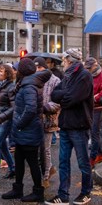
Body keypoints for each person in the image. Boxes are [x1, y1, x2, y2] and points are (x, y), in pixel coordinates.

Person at [45, 48, 94, 205]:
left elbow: (72, 99)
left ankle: (86, 192)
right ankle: (63, 195)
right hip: (65, 124)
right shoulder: (67, 75)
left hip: (79, 125)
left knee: (83, 162)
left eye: (64, 59)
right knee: (63, 161)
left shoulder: (84, 76)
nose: (62, 63)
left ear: (69, 60)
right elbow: (55, 94)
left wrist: (64, 96)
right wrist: (64, 95)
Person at [1, 58, 48, 202]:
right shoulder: (26, 83)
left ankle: (38, 192)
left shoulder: (29, 86)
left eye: (17, 69)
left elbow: (31, 109)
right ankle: (18, 189)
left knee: (33, 162)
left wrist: (19, 124)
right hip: (25, 130)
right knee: (19, 160)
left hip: (29, 130)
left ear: (22, 71)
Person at [34, 57, 61, 187]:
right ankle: (49, 169)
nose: (37, 70)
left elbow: (57, 102)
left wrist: (44, 108)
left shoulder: (55, 80)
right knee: (38, 150)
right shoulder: (33, 80)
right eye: (36, 67)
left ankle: (45, 177)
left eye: (40, 67)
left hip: (48, 119)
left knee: (45, 149)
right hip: (35, 119)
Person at [84, 57, 102, 168]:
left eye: (90, 67)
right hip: (89, 107)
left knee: (94, 133)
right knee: (93, 132)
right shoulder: (87, 75)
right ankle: (100, 155)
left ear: (95, 65)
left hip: (98, 108)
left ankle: (92, 158)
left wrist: (92, 98)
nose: (88, 70)